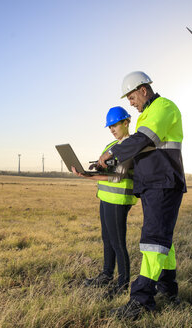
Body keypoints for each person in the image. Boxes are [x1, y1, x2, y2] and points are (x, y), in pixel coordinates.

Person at [98, 71, 186, 319]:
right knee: (163, 243)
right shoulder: (147, 115)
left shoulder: (163, 107)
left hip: (163, 184)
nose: (131, 103)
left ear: (143, 90)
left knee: (153, 242)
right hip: (153, 185)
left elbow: (143, 139)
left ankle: (141, 299)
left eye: (132, 97)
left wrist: (113, 153)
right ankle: (168, 290)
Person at [72, 106, 137, 299]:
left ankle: (123, 284)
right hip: (106, 198)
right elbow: (104, 168)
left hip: (119, 199)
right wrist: (92, 169)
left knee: (118, 242)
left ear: (126, 122)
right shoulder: (111, 145)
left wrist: (88, 176)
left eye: (115, 125)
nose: (112, 129)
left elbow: (116, 177)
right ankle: (106, 275)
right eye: (109, 127)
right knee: (107, 239)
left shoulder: (131, 145)